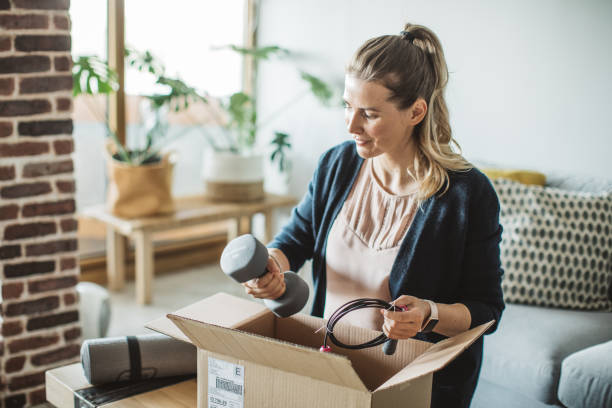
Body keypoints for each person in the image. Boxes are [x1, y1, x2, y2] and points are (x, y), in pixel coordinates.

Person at [243, 23, 505, 408]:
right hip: (329, 367)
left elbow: (487, 309)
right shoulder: (336, 164)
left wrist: (428, 315)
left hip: (413, 383)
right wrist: (272, 265)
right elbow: (297, 237)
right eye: (348, 107)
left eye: (368, 113)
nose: (351, 126)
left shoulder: (467, 194)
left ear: (416, 111)